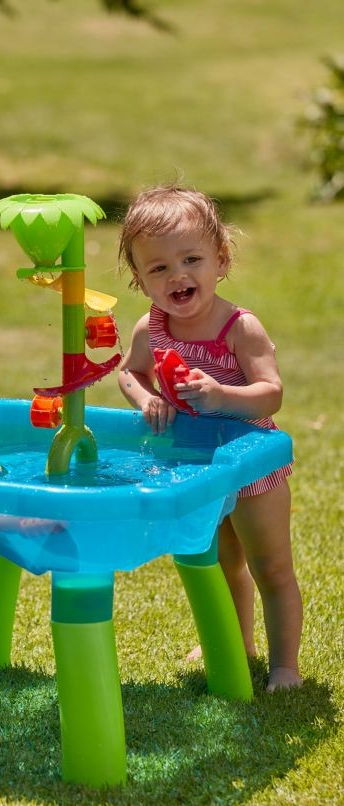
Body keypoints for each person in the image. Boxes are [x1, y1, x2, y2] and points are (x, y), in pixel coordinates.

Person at [116, 185, 302, 692]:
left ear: (220, 260)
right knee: (222, 562)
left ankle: (286, 666)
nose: (177, 275)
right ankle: (237, 641)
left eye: (192, 259)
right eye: (158, 268)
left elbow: (271, 394)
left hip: (252, 465)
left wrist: (222, 395)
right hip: (199, 467)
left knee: (271, 568)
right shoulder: (150, 329)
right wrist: (143, 398)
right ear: (140, 279)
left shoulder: (241, 328)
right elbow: (129, 373)